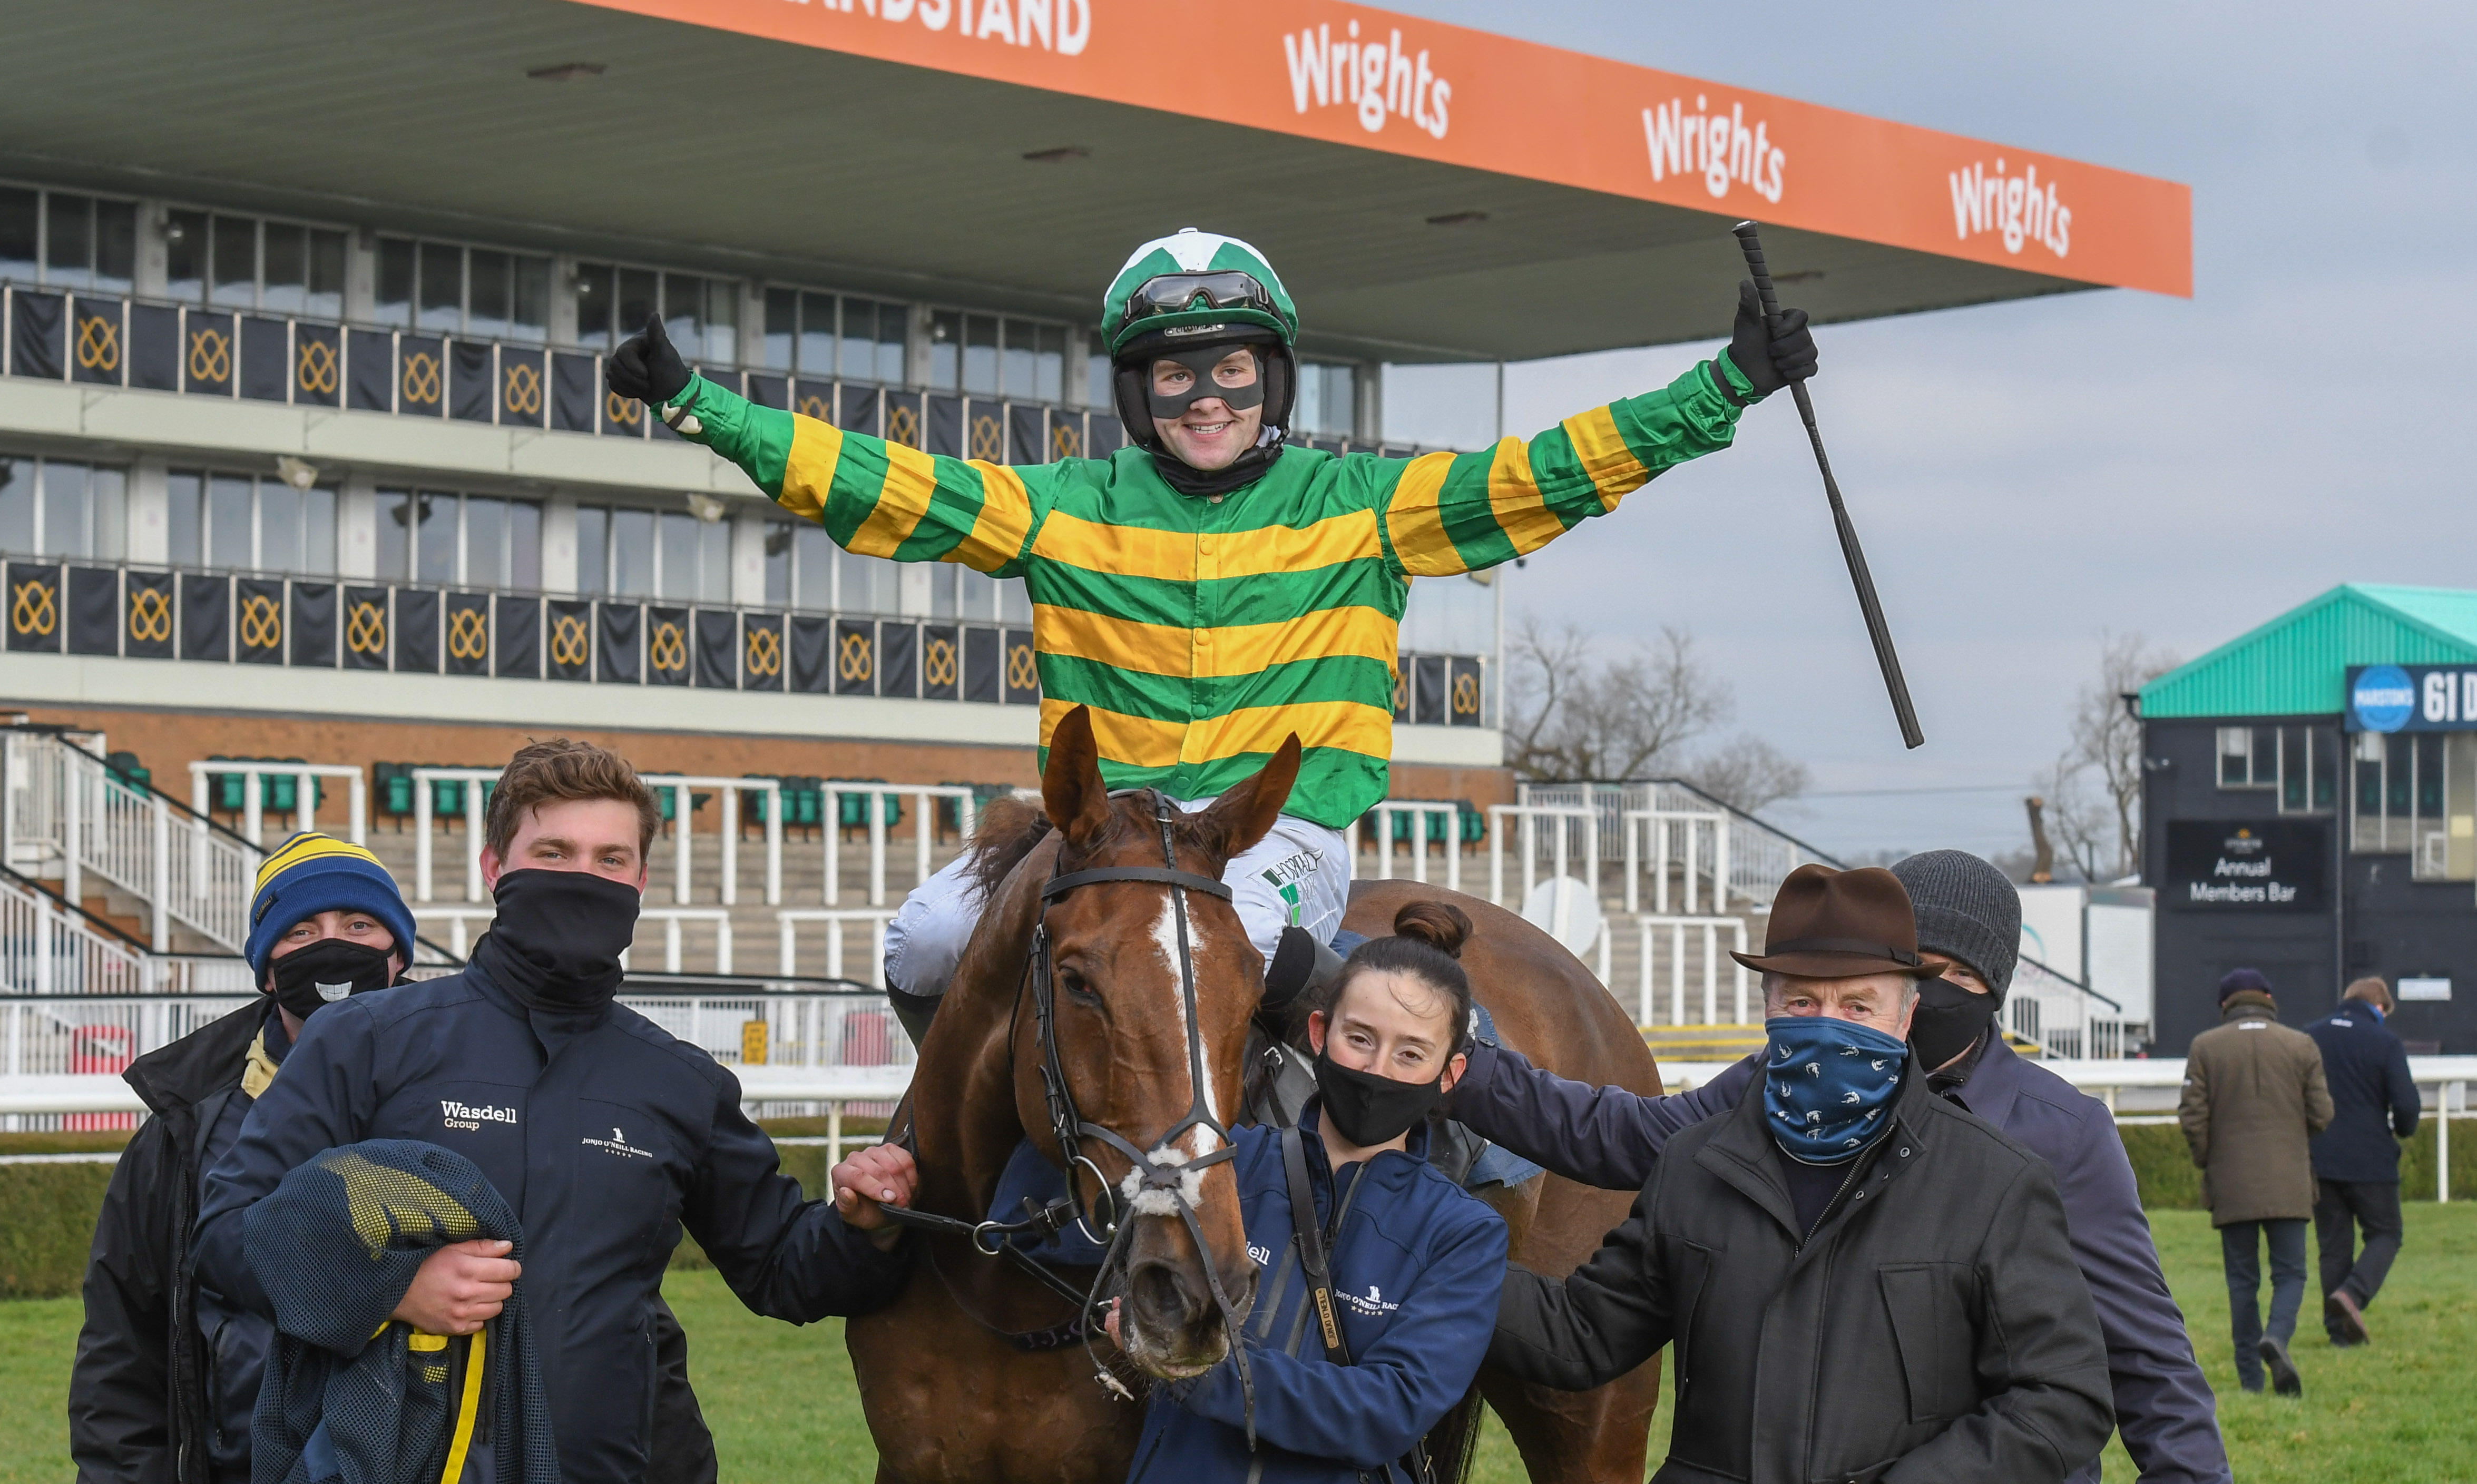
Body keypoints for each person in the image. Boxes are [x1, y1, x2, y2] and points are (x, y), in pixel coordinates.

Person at [606, 227, 1820, 1043]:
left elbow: (1549, 471)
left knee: (1229, 951)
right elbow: (877, 482)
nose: (1207, 400)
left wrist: (1719, 388)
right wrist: (700, 409)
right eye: (1179, 378)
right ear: (1139, 393)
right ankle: (971, 1142)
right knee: (923, 940)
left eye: (1231, 372)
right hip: (1104, 831)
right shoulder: (1059, 508)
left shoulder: (1368, 506)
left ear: (1270, 380)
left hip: (1275, 833)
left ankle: (1337, 1178)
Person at [191, 743, 908, 1484]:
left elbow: (783, 1270)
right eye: (555, 850)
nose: (584, 875)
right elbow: (226, 1234)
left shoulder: (678, 1083)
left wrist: (861, 1219)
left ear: (642, 881)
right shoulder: (364, 1042)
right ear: (495, 865)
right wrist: (389, 1288)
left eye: (611, 857)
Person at [1448, 849, 2234, 1484]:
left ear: (1959, 994)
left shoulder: (2060, 1133)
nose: (1840, 1018)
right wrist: (1444, 1061)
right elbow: (1619, 1139)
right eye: (1811, 994)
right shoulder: (1766, 1092)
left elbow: (2141, 1346)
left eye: (1930, 980)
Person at [70, 833, 729, 1484]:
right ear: (262, 957)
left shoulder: (440, 1077)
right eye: (302, 928)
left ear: (401, 948)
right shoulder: (184, 1126)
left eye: (359, 924)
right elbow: (126, 1345)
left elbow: (609, 1300)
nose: (330, 945)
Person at [833, 905, 1508, 1484]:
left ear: (1449, 1071)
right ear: (1318, 1033)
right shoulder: (1211, 1168)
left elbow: (1383, 1412)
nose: (1377, 1067)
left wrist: (1193, 1369)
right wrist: (889, 1199)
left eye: (1409, 1052)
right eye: (1358, 1037)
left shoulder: (1462, 1234)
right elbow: (1026, 1239)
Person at [2179, 967, 2333, 1397]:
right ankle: (2277, 1338)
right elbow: (2321, 1114)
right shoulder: (2300, 1045)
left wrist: (2210, 1160)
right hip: (2289, 1182)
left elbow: (2192, 1119)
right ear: (2267, 997)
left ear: (2224, 1005)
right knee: (2290, 1274)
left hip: (2230, 1184)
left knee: (2241, 1282)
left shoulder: (2205, 1047)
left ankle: (2250, 1378)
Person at [2305, 977, 2419, 1347]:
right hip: (2371, 1161)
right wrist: (2403, 1129)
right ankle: (2352, 1295)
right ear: (2380, 1008)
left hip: (2319, 1157)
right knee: (2386, 1233)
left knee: (2334, 1245)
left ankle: (2339, 1335)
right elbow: (2406, 1107)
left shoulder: (2311, 1036)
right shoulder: (2385, 1042)